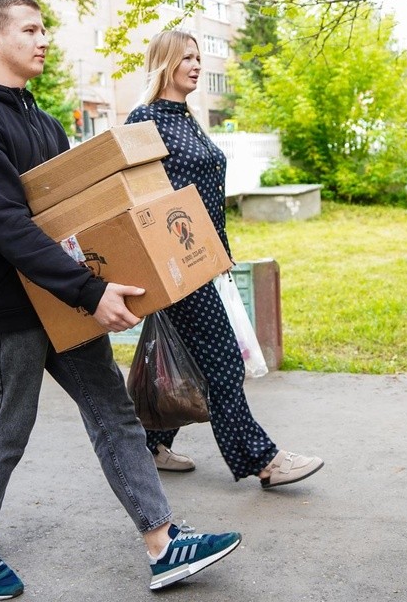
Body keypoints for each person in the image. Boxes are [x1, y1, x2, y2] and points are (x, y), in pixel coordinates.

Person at [0, 0, 240, 600]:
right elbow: (6, 222)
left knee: (112, 410)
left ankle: (162, 542)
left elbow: (72, 216)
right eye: (31, 29)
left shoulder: (42, 122)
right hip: (8, 300)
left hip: (60, 299)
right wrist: (89, 288)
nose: (43, 38)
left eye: (44, 28)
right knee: (8, 421)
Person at [125, 29, 325, 489]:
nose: (196, 65)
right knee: (222, 362)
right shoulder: (145, 119)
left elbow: (204, 197)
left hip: (204, 262)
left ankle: (150, 443)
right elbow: (143, 202)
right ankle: (264, 461)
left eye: (198, 57)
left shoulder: (186, 117)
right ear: (164, 64)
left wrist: (220, 254)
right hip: (177, 268)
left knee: (187, 358)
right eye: (186, 58)